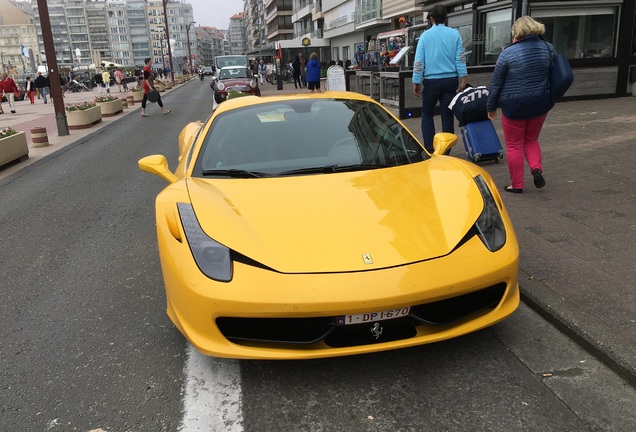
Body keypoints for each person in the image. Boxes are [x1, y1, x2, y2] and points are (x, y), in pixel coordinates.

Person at [486, 16, 554, 194]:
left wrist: (490, 107)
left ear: (517, 32)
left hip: (515, 105)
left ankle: (516, 185)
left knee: (514, 144)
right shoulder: (548, 48)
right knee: (531, 139)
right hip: (540, 104)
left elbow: (496, 84)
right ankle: (536, 169)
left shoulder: (508, 53)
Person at [412, 4, 468, 152]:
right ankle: (446, 150)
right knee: (447, 116)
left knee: (427, 115)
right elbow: (460, 58)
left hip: (431, 82)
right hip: (450, 80)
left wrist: (416, 80)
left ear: (432, 19)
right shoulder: (455, 34)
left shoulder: (425, 36)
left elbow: (419, 61)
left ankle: (430, 149)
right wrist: (463, 76)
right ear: (446, 18)